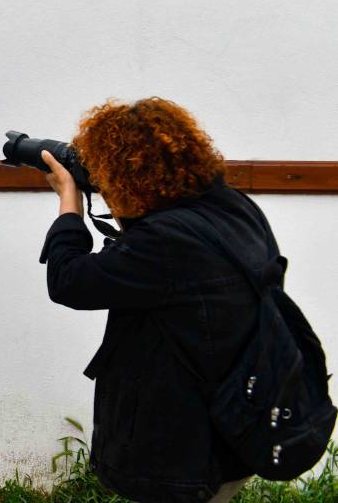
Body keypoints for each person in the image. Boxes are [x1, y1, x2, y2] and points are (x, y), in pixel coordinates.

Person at [38, 97, 278, 503]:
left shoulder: (166, 241)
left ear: (124, 173)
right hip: (236, 430)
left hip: (182, 455)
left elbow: (69, 281)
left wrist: (69, 202)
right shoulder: (235, 209)